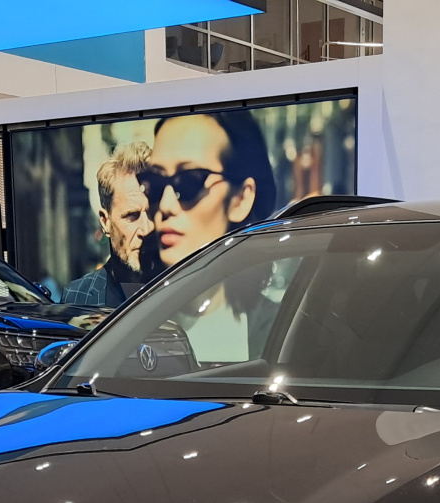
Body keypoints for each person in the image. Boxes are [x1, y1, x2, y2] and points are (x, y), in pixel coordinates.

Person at [141, 111, 278, 363]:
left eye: (189, 182)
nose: (166, 205)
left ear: (241, 198)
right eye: (156, 183)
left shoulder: (287, 330)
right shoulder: (125, 326)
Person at [62, 142, 153, 306]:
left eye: (152, 214)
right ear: (105, 222)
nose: (146, 229)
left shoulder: (191, 289)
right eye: (131, 216)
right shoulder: (77, 298)